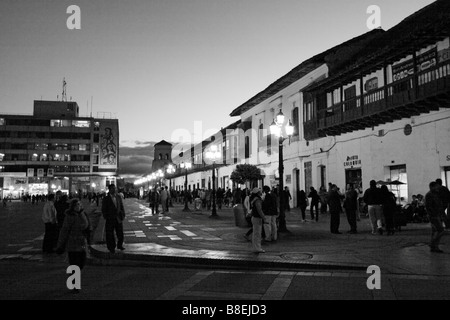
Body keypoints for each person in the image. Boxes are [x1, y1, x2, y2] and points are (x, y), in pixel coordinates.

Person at [56, 198, 89, 292]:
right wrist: (60, 244)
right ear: (72, 207)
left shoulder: (83, 214)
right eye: (76, 205)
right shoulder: (69, 216)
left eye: (79, 204)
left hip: (82, 242)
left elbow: (86, 225)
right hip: (72, 243)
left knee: (81, 263)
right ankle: (75, 285)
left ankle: (74, 279)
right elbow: (64, 230)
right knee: (75, 264)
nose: (78, 206)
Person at [101, 184, 125, 254]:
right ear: (109, 189)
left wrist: (123, 215)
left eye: (115, 188)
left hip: (118, 218)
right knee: (110, 234)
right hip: (110, 219)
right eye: (113, 188)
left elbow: (121, 207)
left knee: (120, 233)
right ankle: (112, 247)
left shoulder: (118, 197)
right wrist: (106, 217)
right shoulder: (106, 198)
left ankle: (120, 245)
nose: (115, 190)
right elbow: (103, 209)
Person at [425, 181, 446, 253]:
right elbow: (429, 206)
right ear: (432, 187)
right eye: (436, 186)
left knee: (435, 231)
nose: (438, 188)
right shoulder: (430, 195)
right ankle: (433, 244)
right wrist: (434, 214)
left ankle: (434, 247)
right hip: (434, 216)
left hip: (436, 215)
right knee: (440, 230)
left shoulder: (435, 194)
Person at [250, 188, 266, 254]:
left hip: (254, 217)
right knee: (257, 234)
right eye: (260, 191)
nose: (261, 192)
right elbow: (259, 210)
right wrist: (264, 217)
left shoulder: (254, 199)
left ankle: (256, 247)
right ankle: (257, 248)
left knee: (256, 233)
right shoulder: (257, 200)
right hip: (257, 218)